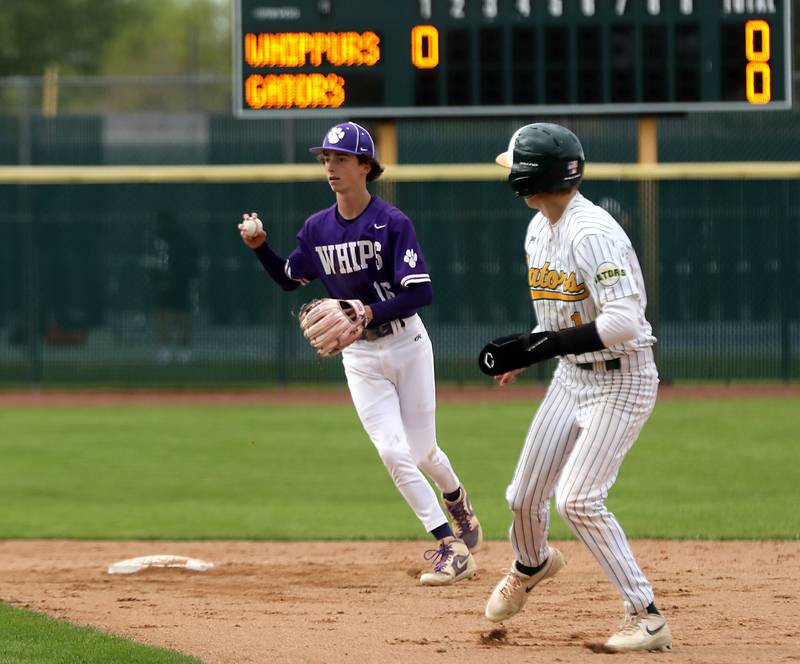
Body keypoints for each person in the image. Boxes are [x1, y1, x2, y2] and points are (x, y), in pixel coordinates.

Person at [238, 121, 482, 586]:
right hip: (361, 357)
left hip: (408, 343)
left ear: (365, 167)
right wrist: (260, 247)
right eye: (326, 158)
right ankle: (450, 547)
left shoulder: (392, 223)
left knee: (424, 451)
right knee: (393, 452)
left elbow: (421, 293)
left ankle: (455, 497)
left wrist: (364, 309)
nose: (330, 166)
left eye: (341, 159)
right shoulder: (317, 227)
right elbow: (291, 277)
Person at [479, 122, 672, 652]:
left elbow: (624, 323)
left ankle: (646, 617)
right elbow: (558, 315)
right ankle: (532, 563)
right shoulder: (540, 228)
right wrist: (528, 350)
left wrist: (542, 346)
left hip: (622, 378)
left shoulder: (592, 232)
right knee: (523, 497)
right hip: (572, 378)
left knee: (580, 499)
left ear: (527, 177)